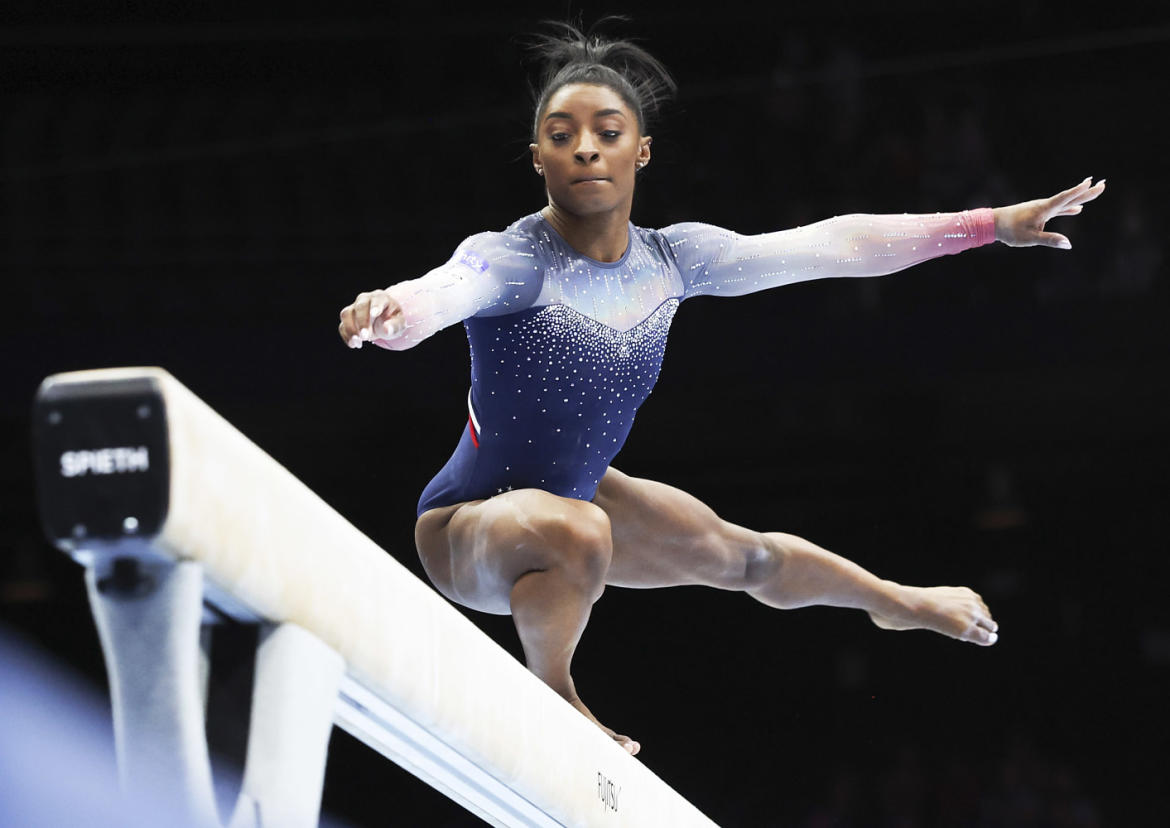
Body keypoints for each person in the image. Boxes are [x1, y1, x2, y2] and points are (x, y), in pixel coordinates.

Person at [337, 21, 1104, 756]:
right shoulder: (514, 258)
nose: (585, 150)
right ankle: (555, 693)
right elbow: (445, 291)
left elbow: (830, 245)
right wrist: (392, 312)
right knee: (580, 534)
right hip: (466, 528)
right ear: (536, 156)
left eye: (607, 131)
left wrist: (990, 223)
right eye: (561, 135)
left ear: (642, 151)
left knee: (746, 561)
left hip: (577, 496)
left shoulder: (673, 262)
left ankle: (896, 603)